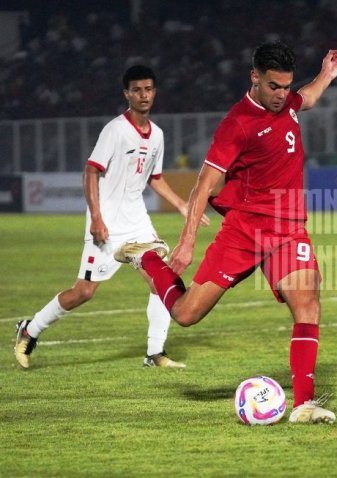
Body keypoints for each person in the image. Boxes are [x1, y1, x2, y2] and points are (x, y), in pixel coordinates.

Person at [114, 42, 337, 424]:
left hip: (288, 230)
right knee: (186, 314)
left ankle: (304, 404)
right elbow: (202, 186)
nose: (281, 96)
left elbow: (309, 97)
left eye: (286, 87)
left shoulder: (286, 101)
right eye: (273, 87)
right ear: (254, 77)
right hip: (245, 232)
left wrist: (327, 75)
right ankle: (147, 256)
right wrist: (186, 244)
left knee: (308, 304)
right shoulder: (236, 124)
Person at [14, 65, 209, 370]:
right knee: (84, 292)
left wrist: (182, 205)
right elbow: (91, 172)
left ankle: (155, 353)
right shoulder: (115, 130)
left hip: (137, 220)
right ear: (126, 94)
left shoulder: (157, 134)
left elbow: (154, 178)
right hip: (107, 223)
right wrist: (96, 218)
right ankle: (30, 330)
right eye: (137, 90)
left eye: (148, 89)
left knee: (161, 281)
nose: (143, 95)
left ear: (154, 92)